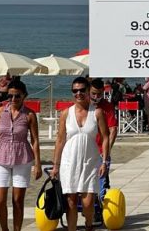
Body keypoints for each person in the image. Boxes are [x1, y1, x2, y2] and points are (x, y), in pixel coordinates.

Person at [0, 79, 41, 231]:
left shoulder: (30, 115)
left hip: (23, 159)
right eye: (10, 96)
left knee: (17, 201)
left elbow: (35, 140)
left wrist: (38, 164)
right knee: (0, 201)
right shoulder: (0, 112)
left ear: (24, 96)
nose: (13, 99)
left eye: (17, 96)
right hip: (1, 158)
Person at [51, 77, 110, 231]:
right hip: (69, 162)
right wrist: (55, 166)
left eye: (82, 90)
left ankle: (89, 225)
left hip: (91, 162)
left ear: (88, 90)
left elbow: (105, 137)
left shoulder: (97, 112)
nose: (78, 93)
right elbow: (60, 140)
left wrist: (104, 161)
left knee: (88, 203)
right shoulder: (66, 113)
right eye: (75, 91)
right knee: (70, 202)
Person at [89, 79, 118, 193]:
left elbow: (113, 129)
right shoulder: (83, 106)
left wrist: (106, 151)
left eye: (99, 94)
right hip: (86, 150)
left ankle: (100, 206)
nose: (96, 96)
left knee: (100, 186)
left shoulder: (107, 106)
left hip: (101, 151)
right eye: (93, 93)